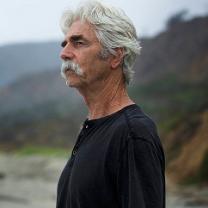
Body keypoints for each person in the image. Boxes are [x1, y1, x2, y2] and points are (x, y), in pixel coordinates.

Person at [57, 1, 166, 208]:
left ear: (115, 56)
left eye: (78, 43)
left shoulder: (133, 133)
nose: (64, 53)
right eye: (65, 44)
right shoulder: (93, 128)